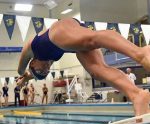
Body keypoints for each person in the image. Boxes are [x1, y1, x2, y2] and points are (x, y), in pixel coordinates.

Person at [16, 18, 150, 116]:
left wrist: (21, 77)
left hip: (58, 31)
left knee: (92, 40)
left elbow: (21, 70)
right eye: (45, 72)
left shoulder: (31, 48)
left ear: (32, 63)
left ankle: (141, 53)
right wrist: (27, 79)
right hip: (70, 45)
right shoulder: (46, 62)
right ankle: (137, 95)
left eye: (40, 70)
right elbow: (32, 74)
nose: (45, 69)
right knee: (96, 71)